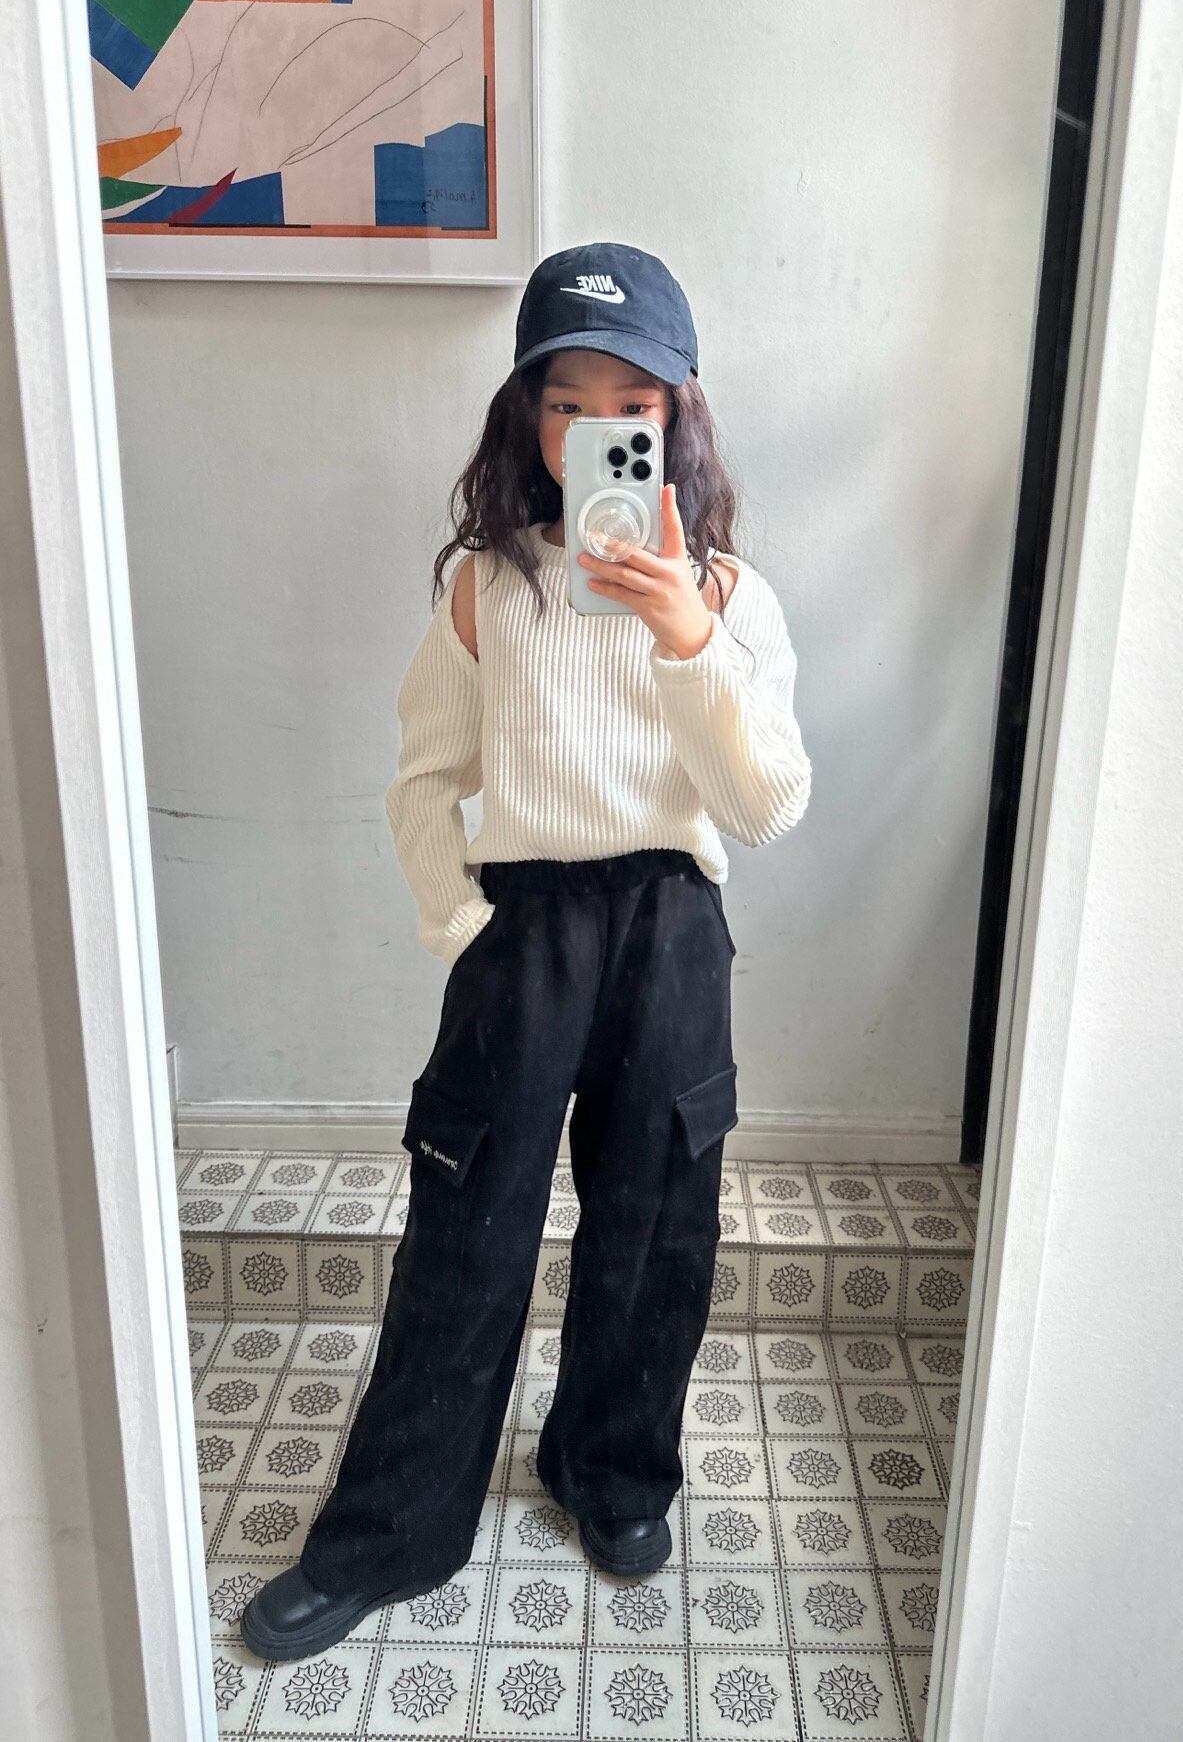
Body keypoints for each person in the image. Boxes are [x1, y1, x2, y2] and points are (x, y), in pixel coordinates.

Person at [241, 241, 812, 1661]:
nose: (599, 427)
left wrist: (687, 637)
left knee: (658, 1223)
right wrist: (464, 928)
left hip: (671, 927)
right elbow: (422, 781)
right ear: (528, 415)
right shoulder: (487, 592)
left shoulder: (732, 595)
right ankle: (390, 1533)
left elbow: (765, 806)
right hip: (528, 926)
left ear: (679, 413)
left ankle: (610, 1473)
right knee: (468, 1222)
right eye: (568, 400)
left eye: (634, 401)